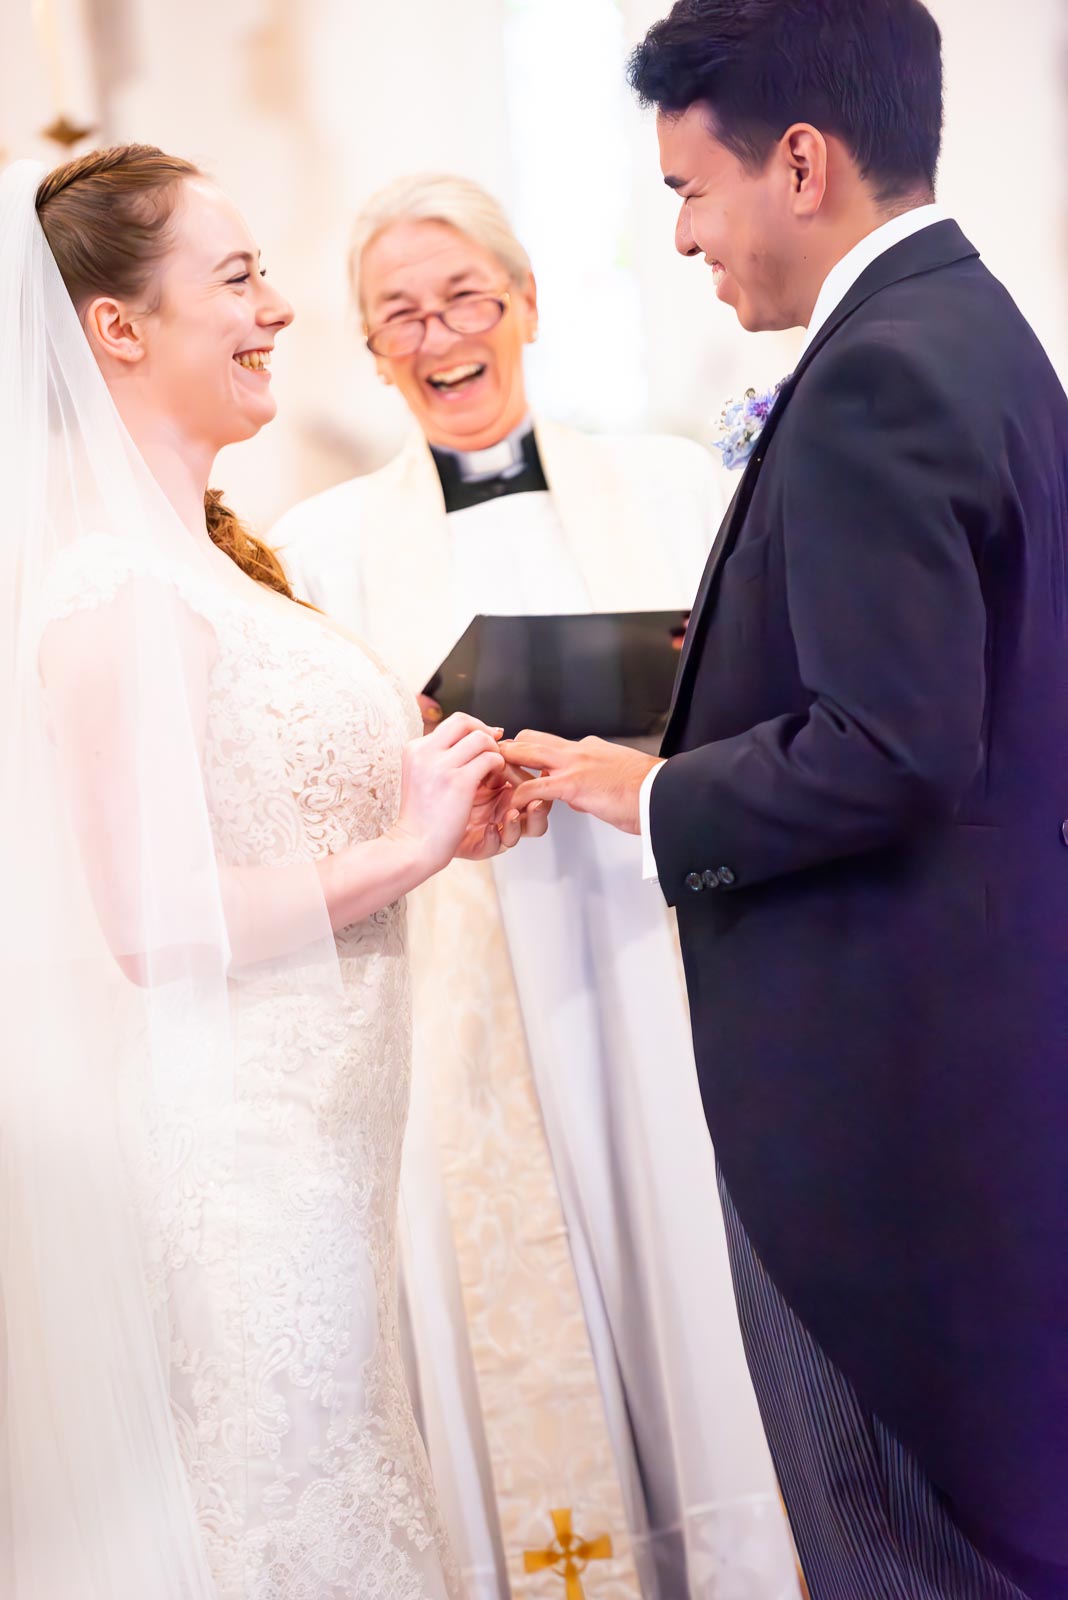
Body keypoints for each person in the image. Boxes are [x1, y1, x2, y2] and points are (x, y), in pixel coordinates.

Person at [504, 2, 1068, 1597]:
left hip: (881, 1115)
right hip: (976, 1054)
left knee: (896, 1536)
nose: (683, 236)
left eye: (692, 189)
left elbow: (894, 745)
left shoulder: (879, 372)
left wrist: (658, 791)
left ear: (801, 163)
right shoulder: (976, 329)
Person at [0, 143, 547, 1600]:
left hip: (325, 1162)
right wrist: (406, 844)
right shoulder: (115, 588)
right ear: (117, 329)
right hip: (247, 1174)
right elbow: (151, 923)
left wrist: (444, 820)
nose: (278, 312)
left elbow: (263, 830)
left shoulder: (207, 567)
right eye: (237, 279)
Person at [272, 175, 800, 1600]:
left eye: (466, 297)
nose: (441, 333)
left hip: (657, 938)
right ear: (371, 351)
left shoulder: (679, 486)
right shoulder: (314, 554)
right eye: (401, 313)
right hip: (466, 972)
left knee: (681, 1250)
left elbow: (761, 700)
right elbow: (308, 777)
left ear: (527, 310)